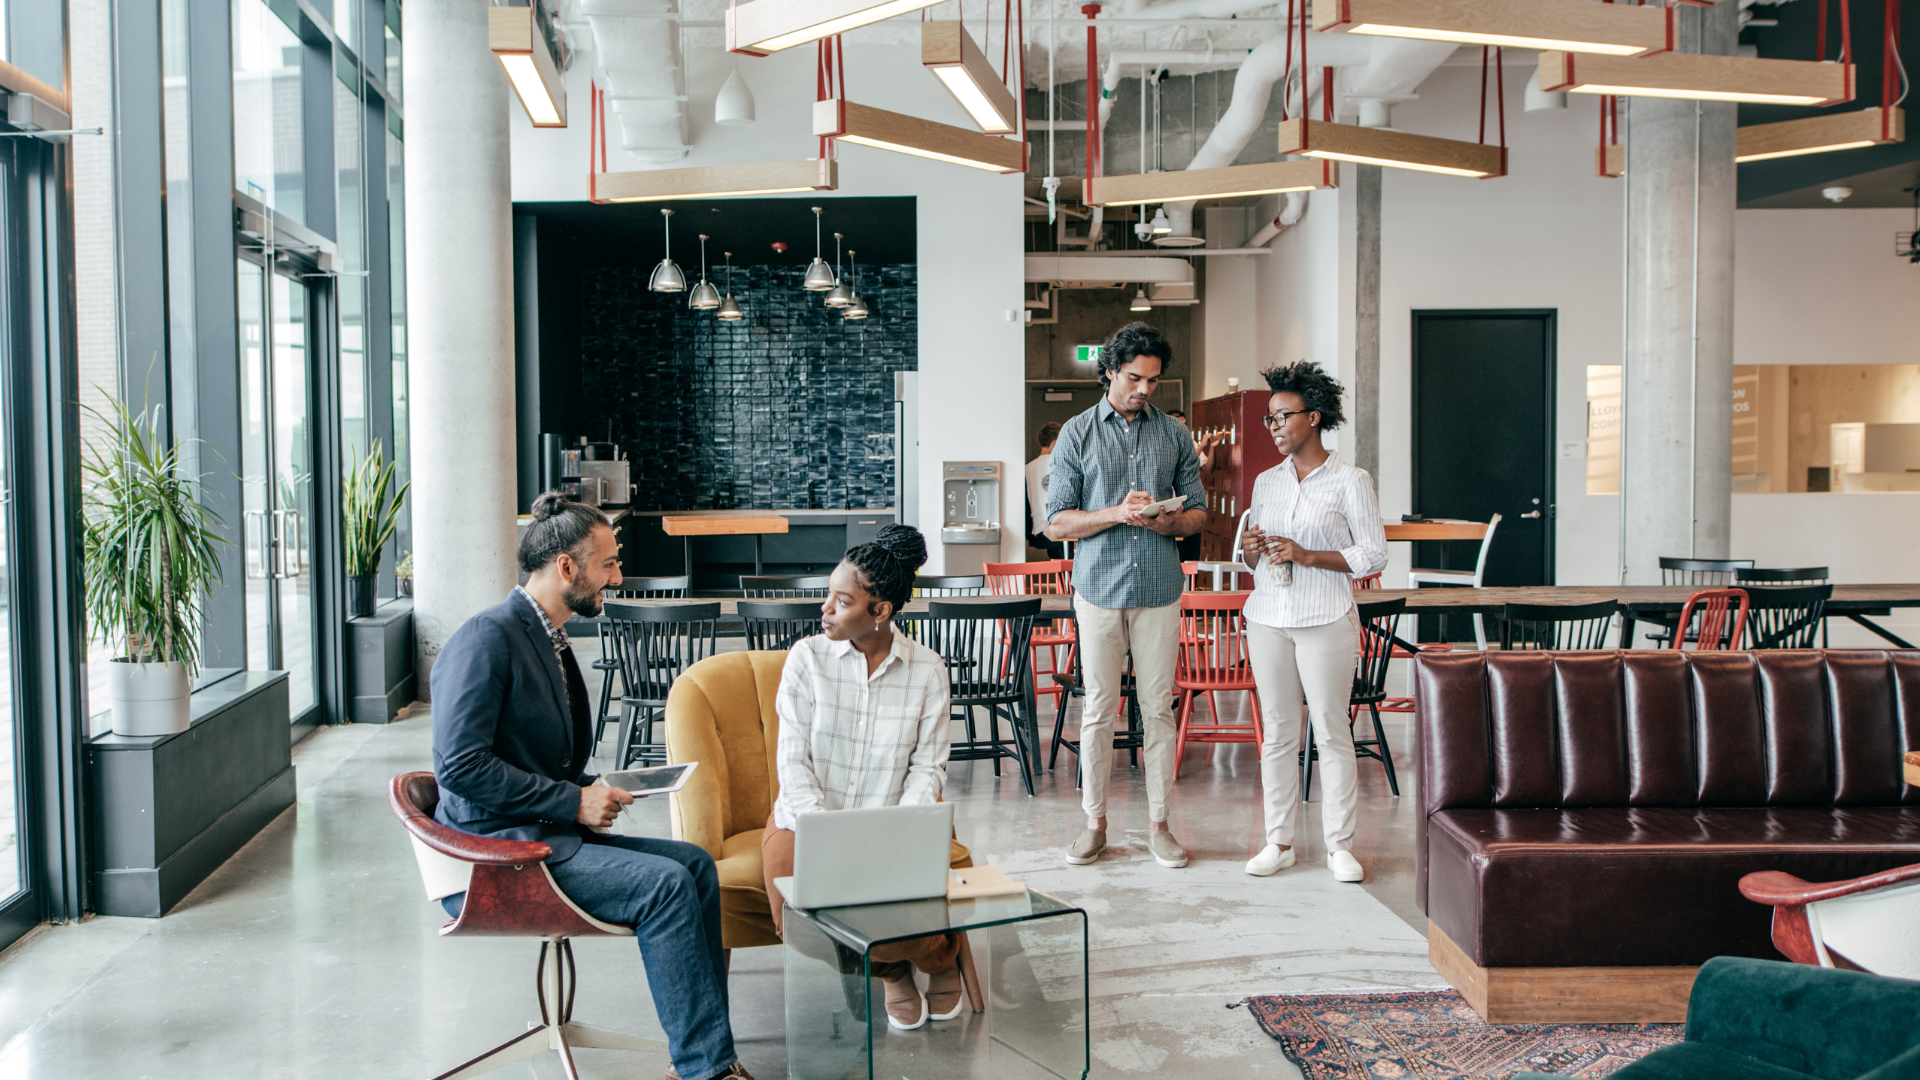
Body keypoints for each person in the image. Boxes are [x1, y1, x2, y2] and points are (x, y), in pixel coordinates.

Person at [431, 492, 751, 1080]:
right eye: (608, 563)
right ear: (567, 567)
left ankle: (704, 1059)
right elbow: (460, 766)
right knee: (665, 888)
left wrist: (595, 785)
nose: (618, 576)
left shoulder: (548, 639)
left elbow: (531, 757)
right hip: (502, 855)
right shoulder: (487, 638)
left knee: (696, 868)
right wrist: (573, 800)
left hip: (547, 835)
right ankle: (708, 1070)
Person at [760, 525, 968, 1032]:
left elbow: (928, 769)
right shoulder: (806, 659)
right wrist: (827, 831)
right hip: (804, 819)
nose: (824, 610)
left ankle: (936, 959)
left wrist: (897, 831)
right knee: (798, 925)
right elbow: (793, 760)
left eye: (841, 600)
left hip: (891, 817)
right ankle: (900, 966)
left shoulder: (928, 670)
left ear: (880, 611)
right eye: (828, 596)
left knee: (897, 902)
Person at [1044, 322, 1207, 869]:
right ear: (1110, 370)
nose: (1144, 389)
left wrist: (1170, 521)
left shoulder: (1174, 435)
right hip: (1098, 590)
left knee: (1157, 710)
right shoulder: (1076, 433)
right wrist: (1118, 512)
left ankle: (1160, 825)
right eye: (1135, 377)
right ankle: (1095, 824)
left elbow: (1200, 512)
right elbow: (1056, 524)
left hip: (1160, 588)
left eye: (1153, 380)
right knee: (1098, 710)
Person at [1238, 362, 1387, 884]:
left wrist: (1308, 555)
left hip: (1325, 617)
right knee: (1277, 732)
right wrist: (1253, 550)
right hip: (1268, 617)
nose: (1274, 426)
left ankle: (1339, 847)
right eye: (1268, 418)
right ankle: (1277, 842)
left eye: (1283, 416)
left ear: (1314, 416)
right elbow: (1252, 561)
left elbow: (1372, 556)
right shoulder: (1265, 482)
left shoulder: (1351, 481)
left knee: (1331, 730)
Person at [1165, 409, 1223, 564]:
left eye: (1184, 421)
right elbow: (1184, 465)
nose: (1181, 424)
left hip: (1190, 508)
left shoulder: (1191, 443)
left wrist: (1212, 447)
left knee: (1192, 558)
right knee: (1178, 557)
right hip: (1172, 509)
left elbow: (1208, 469)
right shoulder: (1164, 443)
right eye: (1177, 420)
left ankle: (1191, 587)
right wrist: (1202, 446)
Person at [1025, 422, 1064, 558]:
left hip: (1038, 533)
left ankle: (1063, 578)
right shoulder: (1061, 465)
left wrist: (1030, 538)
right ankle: (1066, 579)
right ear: (1054, 444)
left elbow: (1026, 505)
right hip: (1059, 529)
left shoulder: (1027, 469)